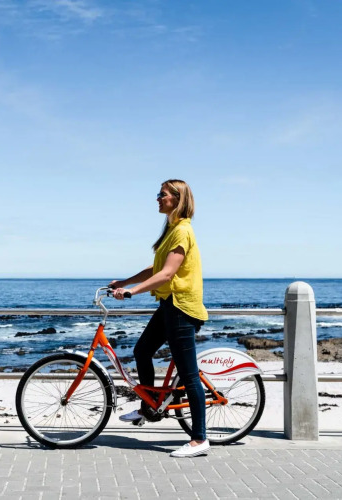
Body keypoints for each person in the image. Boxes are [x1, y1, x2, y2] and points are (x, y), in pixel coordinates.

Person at [109, 179, 209, 458]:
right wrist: (124, 282)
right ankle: (149, 407)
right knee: (142, 350)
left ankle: (199, 439)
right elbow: (156, 268)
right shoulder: (171, 230)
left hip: (181, 308)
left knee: (189, 376)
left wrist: (131, 292)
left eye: (162, 194)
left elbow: (167, 274)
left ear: (177, 198)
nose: (157, 198)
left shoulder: (183, 231)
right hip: (168, 305)